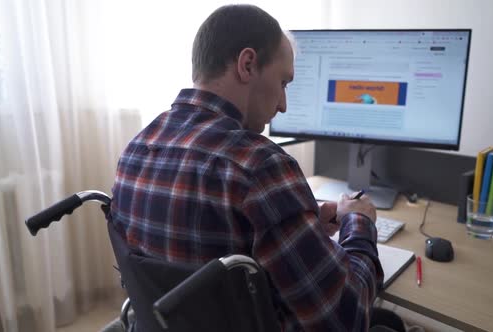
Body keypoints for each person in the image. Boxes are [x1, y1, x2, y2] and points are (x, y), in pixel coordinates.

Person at [111, 4, 387, 331]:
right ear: (247, 64)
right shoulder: (260, 165)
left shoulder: (135, 150)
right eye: (284, 82)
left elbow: (205, 245)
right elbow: (345, 318)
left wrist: (302, 219)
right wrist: (359, 221)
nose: (283, 105)